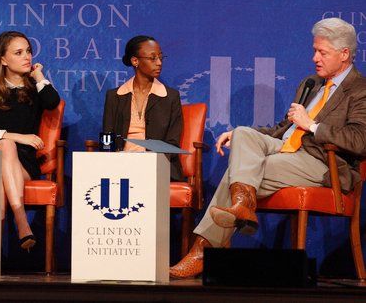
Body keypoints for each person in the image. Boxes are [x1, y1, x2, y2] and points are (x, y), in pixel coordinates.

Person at [170, 17, 366, 279]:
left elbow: (359, 140)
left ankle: (204, 249)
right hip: (286, 148)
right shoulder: (312, 84)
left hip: (321, 162)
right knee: (242, 134)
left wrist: (312, 125)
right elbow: (282, 129)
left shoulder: (359, 90)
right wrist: (239, 137)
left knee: (239, 173)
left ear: (344, 54)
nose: (314, 58)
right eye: (314, 50)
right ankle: (243, 206)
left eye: (322, 52)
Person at [0, 31, 60, 250]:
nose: (27, 57)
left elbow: (52, 102)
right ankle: (21, 220)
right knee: (5, 146)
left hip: (25, 164)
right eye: (19, 53)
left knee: (4, 154)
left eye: (28, 51)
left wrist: (38, 76)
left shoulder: (35, 92)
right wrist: (16, 136)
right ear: (2, 59)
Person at [102, 35, 183, 181]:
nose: (159, 63)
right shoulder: (115, 96)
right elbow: (108, 138)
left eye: (160, 57)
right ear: (135, 61)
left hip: (157, 167)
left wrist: (147, 162)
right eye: (152, 58)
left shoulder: (170, 97)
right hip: (120, 165)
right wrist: (110, 163)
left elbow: (172, 143)